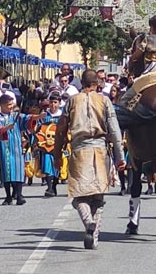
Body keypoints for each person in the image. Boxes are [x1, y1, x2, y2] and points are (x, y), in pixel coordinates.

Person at [53, 69, 125, 250]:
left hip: (79, 150)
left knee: (79, 195)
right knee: (98, 197)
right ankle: (94, 235)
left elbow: (61, 129)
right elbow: (115, 131)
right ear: (97, 84)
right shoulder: (104, 100)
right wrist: (120, 156)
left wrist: (57, 155)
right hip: (100, 150)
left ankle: (88, 222)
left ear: (81, 84)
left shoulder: (72, 101)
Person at [0, 94, 36, 206]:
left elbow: (27, 119)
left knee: (18, 169)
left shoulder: (17, 115)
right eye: (8, 104)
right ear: (2, 105)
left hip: (17, 146)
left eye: (12, 104)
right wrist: (7, 127)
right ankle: (8, 196)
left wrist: (37, 117)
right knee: (7, 171)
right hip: (5, 147)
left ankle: (19, 195)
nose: (11, 106)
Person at [36, 93, 62, 197]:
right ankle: (50, 187)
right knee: (47, 164)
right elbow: (39, 128)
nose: (53, 105)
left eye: (55, 102)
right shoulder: (44, 115)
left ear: (59, 103)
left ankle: (54, 185)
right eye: (51, 102)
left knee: (57, 165)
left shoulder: (62, 115)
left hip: (58, 144)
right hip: (46, 145)